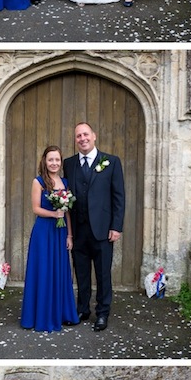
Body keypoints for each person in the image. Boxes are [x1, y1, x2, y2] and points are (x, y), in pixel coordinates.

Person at [63, 121, 125, 331]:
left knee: (102, 273)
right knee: (81, 272)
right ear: (75, 140)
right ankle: (83, 309)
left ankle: (102, 313)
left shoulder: (111, 162)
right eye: (78, 136)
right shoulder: (69, 163)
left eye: (86, 134)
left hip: (102, 230)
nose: (83, 139)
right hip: (79, 230)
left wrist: (116, 227)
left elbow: (118, 197)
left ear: (94, 136)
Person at [20, 145, 78, 333]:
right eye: (50, 159)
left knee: (59, 271)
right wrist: (54, 214)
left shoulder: (65, 181)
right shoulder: (38, 182)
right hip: (44, 232)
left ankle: (61, 314)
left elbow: (67, 212)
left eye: (57, 160)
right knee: (44, 270)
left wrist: (69, 235)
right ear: (45, 161)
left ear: (61, 162)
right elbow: (35, 208)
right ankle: (42, 315)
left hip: (60, 233)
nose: (54, 163)